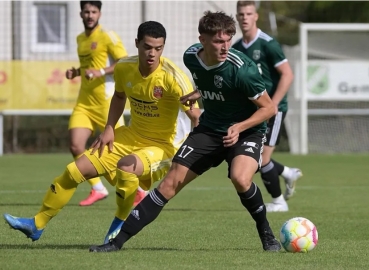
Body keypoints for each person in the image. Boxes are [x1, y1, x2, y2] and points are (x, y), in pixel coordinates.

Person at [89, 11, 281, 253]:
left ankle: (266, 232)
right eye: (218, 41)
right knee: (169, 183)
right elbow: (211, 80)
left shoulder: (243, 69)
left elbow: (269, 108)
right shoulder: (191, 57)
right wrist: (199, 92)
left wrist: (239, 127)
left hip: (247, 131)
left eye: (228, 40)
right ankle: (116, 243)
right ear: (203, 40)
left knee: (240, 178)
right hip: (211, 128)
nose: (225, 47)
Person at [3, 21, 201, 244]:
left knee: (126, 168)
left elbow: (194, 114)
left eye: (158, 48)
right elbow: (118, 96)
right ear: (136, 44)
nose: (152, 54)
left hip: (163, 145)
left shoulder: (174, 77)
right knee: (73, 171)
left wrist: (199, 126)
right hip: (129, 136)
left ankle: (119, 223)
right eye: (147, 47)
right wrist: (109, 129)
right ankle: (36, 224)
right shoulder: (124, 67)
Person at [232, 1, 302, 212]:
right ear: (237, 17)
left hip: (274, 109)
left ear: (256, 16)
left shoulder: (268, 43)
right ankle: (287, 173)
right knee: (258, 156)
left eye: (248, 13)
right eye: (241, 14)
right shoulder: (236, 48)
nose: (244, 17)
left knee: (261, 159)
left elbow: (287, 75)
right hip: (254, 111)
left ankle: (279, 201)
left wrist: (274, 103)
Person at [66, 1, 128, 206]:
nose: (90, 15)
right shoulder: (80, 39)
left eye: (94, 11)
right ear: (81, 14)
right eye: (87, 12)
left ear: (99, 13)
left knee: (116, 151)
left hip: (105, 101)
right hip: (84, 102)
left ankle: (135, 189)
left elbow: (124, 61)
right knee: (76, 145)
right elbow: (88, 66)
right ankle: (98, 188)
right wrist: (76, 72)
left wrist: (101, 71)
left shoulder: (107, 36)